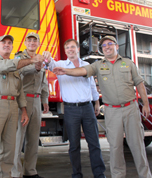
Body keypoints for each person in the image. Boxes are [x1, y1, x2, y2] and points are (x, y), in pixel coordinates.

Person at [52, 36, 152, 178]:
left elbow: (139, 83)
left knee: (137, 146)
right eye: (104, 45)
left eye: (110, 44)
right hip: (111, 110)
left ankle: (145, 175)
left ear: (116, 46)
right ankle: (117, 176)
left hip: (131, 108)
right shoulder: (98, 65)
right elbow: (81, 71)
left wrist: (146, 104)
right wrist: (65, 71)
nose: (107, 47)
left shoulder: (128, 63)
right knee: (115, 147)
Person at [0, 34, 44, 178]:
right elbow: (5, 66)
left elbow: (19, 91)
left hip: (13, 106)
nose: (7, 45)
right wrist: (32, 60)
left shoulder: (15, 67)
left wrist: (24, 110)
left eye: (9, 43)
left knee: (9, 149)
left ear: (12, 47)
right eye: (3, 43)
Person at [43, 39, 106, 178]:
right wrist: (46, 56)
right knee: (74, 145)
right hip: (71, 110)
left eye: (72, 47)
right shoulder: (60, 64)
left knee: (94, 143)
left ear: (78, 49)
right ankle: (77, 174)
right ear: (65, 51)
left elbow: (91, 85)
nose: (70, 49)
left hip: (88, 107)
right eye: (67, 48)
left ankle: (99, 174)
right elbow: (47, 63)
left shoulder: (86, 65)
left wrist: (96, 102)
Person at [12, 32, 49, 178]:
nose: (32, 43)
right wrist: (35, 67)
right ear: (25, 43)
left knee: (33, 139)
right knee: (17, 138)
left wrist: (45, 99)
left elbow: (44, 80)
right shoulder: (19, 58)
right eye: (30, 40)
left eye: (35, 40)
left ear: (38, 43)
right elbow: (18, 73)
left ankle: (30, 171)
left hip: (36, 101)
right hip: (22, 100)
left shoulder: (41, 58)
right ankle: (16, 173)